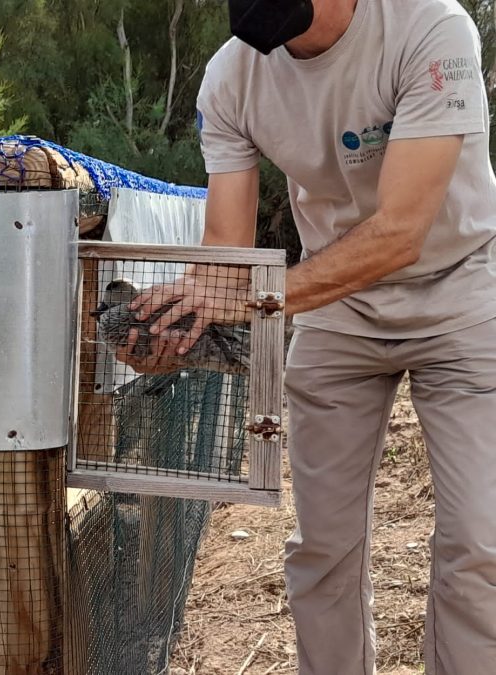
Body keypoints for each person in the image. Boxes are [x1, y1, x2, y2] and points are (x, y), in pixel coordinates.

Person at [118, 1, 496, 672]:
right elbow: (225, 259)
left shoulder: (430, 28)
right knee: (322, 546)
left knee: (480, 543)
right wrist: (176, 320)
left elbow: (403, 231)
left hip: (462, 289)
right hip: (337, 303)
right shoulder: (232, 77)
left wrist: (259, 297)